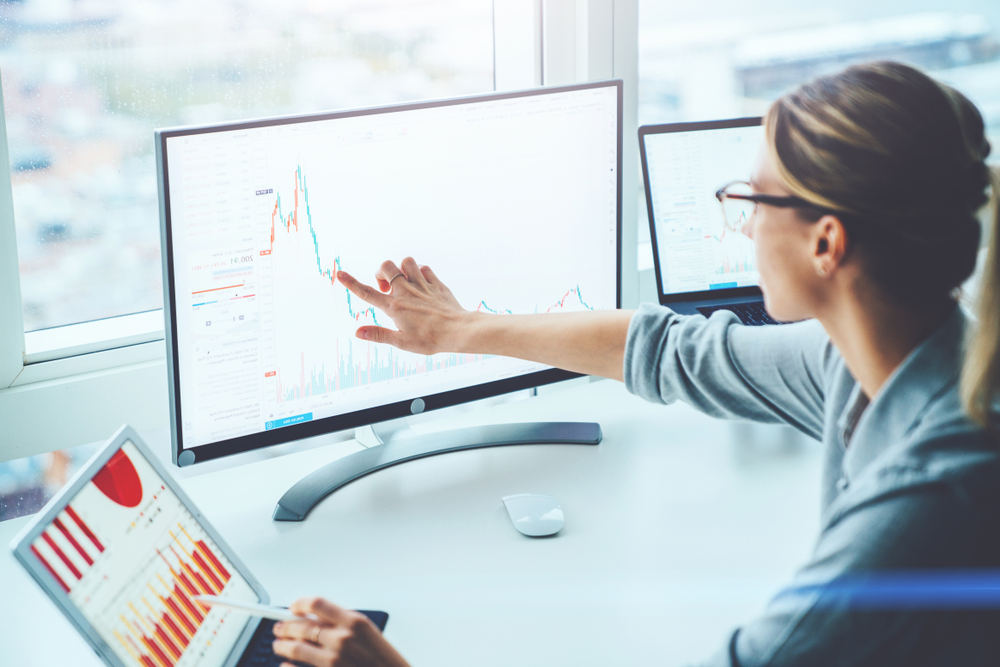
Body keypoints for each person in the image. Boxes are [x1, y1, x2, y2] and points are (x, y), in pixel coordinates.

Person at [271, 61, 1000, 666]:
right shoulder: (902, 357)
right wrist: (461, 328)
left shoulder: (928, 502)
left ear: (827, 243)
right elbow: (668, 349)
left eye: (751, 199)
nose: (742, 222)